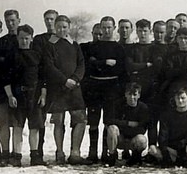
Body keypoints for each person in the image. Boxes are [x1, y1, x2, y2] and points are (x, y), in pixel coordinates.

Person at [43, 15, 88, 163]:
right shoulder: (50, 45)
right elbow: (49, 66)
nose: (62, 30)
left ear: (69, 28)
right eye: (59, 27)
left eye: (64, 27)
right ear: (54, 28)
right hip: (58, 89)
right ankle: (60, 152)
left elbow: (81, 64)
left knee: (80, 119)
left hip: (74, 89)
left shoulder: (74, 45)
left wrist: (74, 79)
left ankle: (75, 152)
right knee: (58, 121)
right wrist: (64, 80)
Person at [82, 16, 126, 164]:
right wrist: (104, 63)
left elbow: (121, 69)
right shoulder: (93, 47)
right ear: (100, 28)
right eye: (104, 27)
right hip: (95, 87)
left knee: (109, 121)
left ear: (114, 28)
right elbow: (88, 66)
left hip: (112, 88)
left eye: (109, 27)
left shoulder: (119, 48)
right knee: (93, 121)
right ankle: (92, 151)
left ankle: (107, 152)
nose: (106, 30)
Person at [3, 24, 47, 166]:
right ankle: (16, 157)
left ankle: (35, 157)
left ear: (31, 38)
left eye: (27, 38)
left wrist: (43, 95)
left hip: (34, 95)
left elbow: (43, 78)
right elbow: (6, 78)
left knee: (34, 128)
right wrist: (10, 96)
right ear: (17, 38)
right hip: (18, 95)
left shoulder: (37, 55)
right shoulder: (12, 55)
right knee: (17, 127)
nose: (24, 41)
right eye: (21, 38)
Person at [0, 10, 21, 164]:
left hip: (19, 89)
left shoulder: (25, 39)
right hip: (2, 88)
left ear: (18, 20)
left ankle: (16, 155)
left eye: (13, 20)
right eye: (7, 21)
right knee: (3, 123)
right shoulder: (0, 43)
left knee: (17, 123)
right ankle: (4, 155)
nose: (10, 23)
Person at [152, 87, 187, 167]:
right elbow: (162, 136)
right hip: (172, 149)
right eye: (178, 98)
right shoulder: (167, 116)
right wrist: (165, 150)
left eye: (183, 98)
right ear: (175, 99)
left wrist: (184, 143)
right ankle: (170, 160)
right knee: (153, 149)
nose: (180, 101)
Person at [105, 83, 151, 165]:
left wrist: (125, 129)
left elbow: (142, 129)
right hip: (120, 138)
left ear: (139, 95)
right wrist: (128, 123)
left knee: (142, 139)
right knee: (112, 129)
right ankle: (112, 155)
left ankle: (135, 157)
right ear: (125, 94)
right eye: (129, 94)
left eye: (135, 94)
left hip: (133, 139)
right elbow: (109, 121)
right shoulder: (118, 104)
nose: (132, 97)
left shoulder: (143, 108)